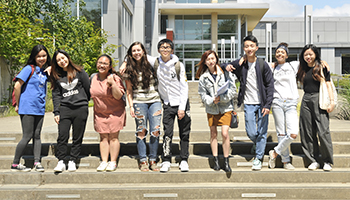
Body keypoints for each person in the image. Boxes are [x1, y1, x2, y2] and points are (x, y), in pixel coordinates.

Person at [223, 35, 274, 170]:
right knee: (251, 132)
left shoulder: (263, 64)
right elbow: (223, 65)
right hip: (248, 102)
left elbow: (270, 85)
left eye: (252, 46)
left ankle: (258, 158)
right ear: (244, 48)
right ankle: (256, 143)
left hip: (262, 103)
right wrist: (228, 66)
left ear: (256, 48)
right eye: (246, 46)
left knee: (262, 132)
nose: (249, 48)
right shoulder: (241, 63)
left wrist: (268, 105)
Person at [147, 39, 192, 173]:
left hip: (182, 103)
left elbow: (184, 87)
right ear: (158, 50)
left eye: (167, 47)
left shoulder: (178, 65)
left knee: (184, 133)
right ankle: (166, 159)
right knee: (167, 133)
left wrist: (182, 108)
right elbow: (138, 53)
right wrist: (125, 62)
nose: (165, 50)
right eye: (162, 47)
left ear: (172, 50)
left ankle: (184, 159)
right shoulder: (156, 62)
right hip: (167, 104)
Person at [123, 42, 162, 172]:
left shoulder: (151, 65)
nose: (136, 53)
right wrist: (131, 106)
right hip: (139, 101)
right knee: (141, 130)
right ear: (130, 53)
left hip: (155, 100)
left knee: (155, 131)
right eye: (133, 51)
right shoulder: (129, 69)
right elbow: (128, 90)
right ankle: (143, 160)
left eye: (138, 50)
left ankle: (153, 159)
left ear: (144, 51)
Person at [11, 44, 51, 172]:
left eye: (44, 56)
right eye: (39, 56)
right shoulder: (29, 69)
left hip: (40, 107)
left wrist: (51, 68)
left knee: (37, 135)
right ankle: (15, 164)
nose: (41, 58)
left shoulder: (44, 71)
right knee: (27, 135)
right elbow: (17, 86)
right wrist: (18, 104)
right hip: (27, 107)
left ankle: (37, 162)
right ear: (34, 57)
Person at [50, 49, 90, 172]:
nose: (62, 61)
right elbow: (56, 95)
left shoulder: (80, 71)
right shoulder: (56, 76)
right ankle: (61, 161)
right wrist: (56, 112)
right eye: (58, 60)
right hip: (65, 109)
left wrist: (82, 101)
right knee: (63, 135)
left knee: (77, 136)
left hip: (80, 108)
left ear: (68, 57)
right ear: (56, 63)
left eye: (63, 58)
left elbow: (88, 89)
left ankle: (73, 160)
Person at [196, 50, 236, 172]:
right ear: (205, 62)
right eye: (208, 59)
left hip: (225, 108)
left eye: (212, 58)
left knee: (224, 133)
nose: (211, 61)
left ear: (216, 59)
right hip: (212, 109)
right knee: (213, 134)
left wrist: (222, 98)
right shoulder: (203, 77)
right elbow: (202, 94)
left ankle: (226, 160)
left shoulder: (225, 73)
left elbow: (232, 90)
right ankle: (216, 160)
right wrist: (211, 100)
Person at [297, 44, 335, 171]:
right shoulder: (301, 68)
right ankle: (312, 160)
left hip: (320, 98)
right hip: (306, 99)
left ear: (315, 55)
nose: (308, 57)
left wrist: (332, 102)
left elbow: (328, 84)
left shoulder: (322, 67)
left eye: (310, 54)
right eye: (306, 54)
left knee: (323, 131)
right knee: (306, 131)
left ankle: (327, 161)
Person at [90, 54, 126, 172]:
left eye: (105, 64)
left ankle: (113, 161)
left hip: (115, 112)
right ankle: (104, 161)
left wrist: (113, 83)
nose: (102, 65)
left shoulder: (115, 78)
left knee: (113, 137)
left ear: (110, 66)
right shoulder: (93, 77)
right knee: (103, 137)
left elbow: (118, 96)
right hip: (100, 112)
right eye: (100, 62)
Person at [267, 43, 299, 170]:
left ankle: (274, 152)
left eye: (282, 52)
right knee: (281, 133)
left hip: (291, 103)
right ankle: (286, 161)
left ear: (286, 54)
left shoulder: (293, 65)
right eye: (278, 52)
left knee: (293, 133)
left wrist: (323, 62)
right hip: (277, 102)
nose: (280, 54)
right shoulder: (272, 67)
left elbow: (310, 61)